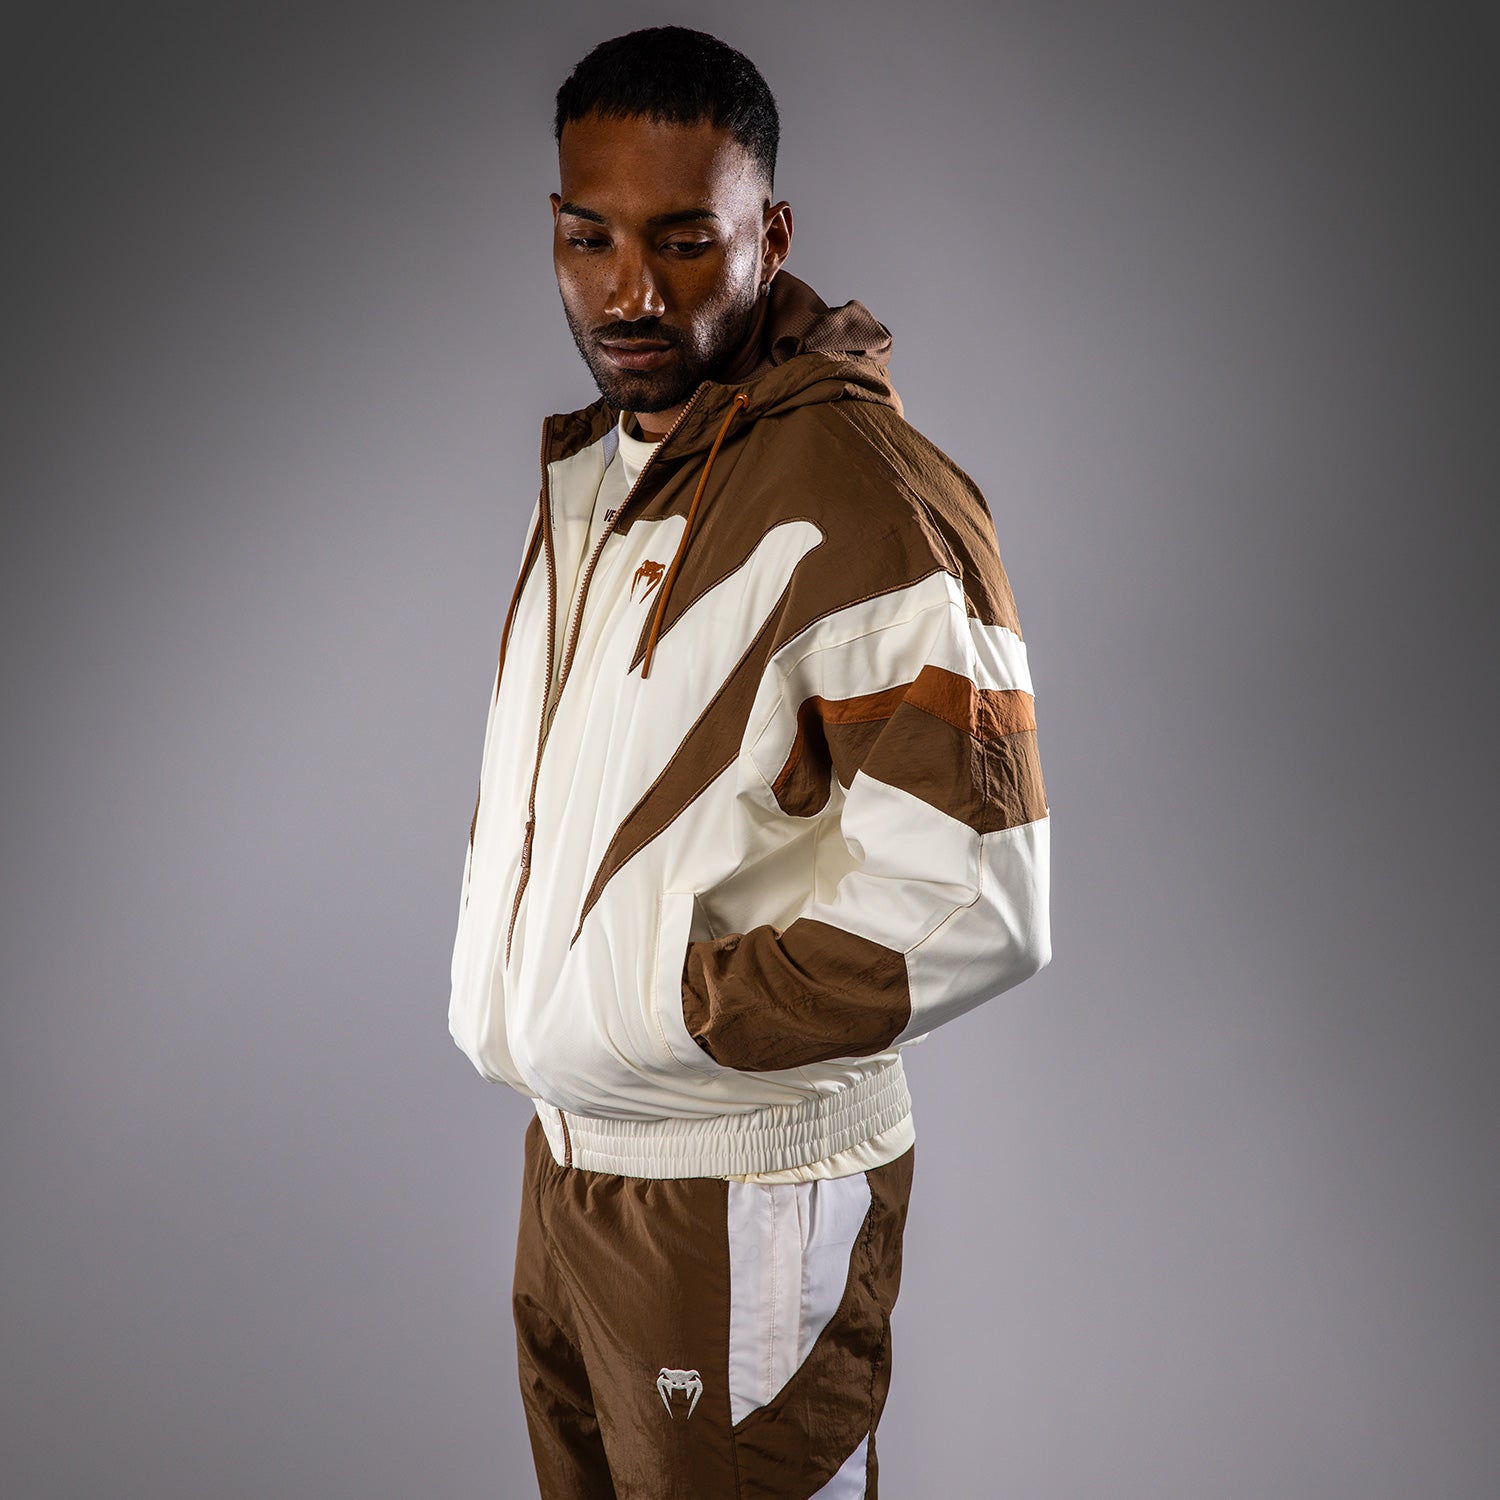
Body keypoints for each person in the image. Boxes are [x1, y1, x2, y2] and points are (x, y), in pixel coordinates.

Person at [447, 25, 1051, 1499]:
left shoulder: (864, 494)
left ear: (770, 234)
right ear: (553, 227)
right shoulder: (602, 478)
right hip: (567, 1176)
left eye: (683, 240)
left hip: (739, 1192)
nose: (630, 292)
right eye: (591, 239)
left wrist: (667, 1007)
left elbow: (980, 897)